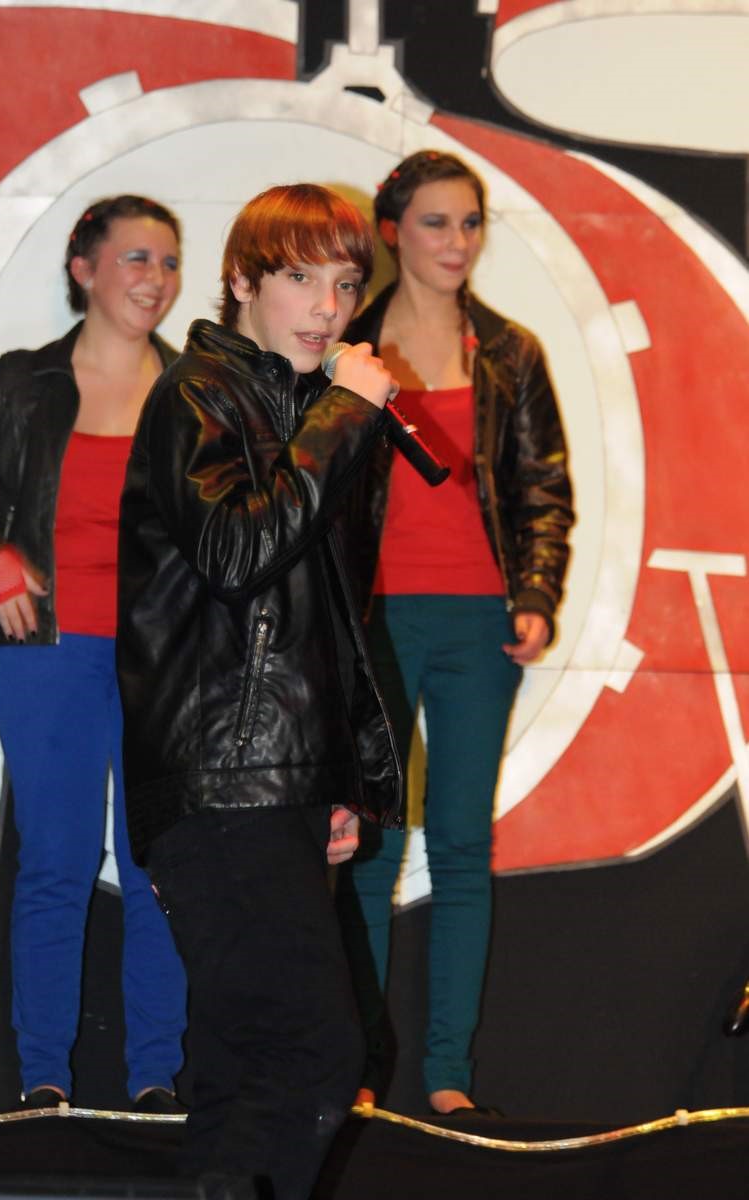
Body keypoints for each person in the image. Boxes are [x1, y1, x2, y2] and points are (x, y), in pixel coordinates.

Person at [116, 183, 402, 1199]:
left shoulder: (303, 411)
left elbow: (323, 616)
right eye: (299, 278)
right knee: (314, 1047)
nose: (327, 308)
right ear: (240, 279)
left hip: (274, 775)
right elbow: (238, 554)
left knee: (243, 1065)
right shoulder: (198, 395)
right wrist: (345, 416)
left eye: (345, 285)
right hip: (219, 777)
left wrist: (332, 773)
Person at [335, 149, 575, 1116]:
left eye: (470, 222)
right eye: (436, 222)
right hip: (377, 621)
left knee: (463, 847)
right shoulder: (346, 347)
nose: (457, 241)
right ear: (392, 231)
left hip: (481, 626)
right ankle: (360, 1069)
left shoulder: (510, 350)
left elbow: (543, 489)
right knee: (373, 848)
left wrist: (537, 594)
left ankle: (447, 1078)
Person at [0, 195, 188, 1112]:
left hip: (165, 661)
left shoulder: (196, 392)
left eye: (168, 261)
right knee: (55, 863)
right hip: (47, 653)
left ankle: (155, 1080)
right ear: (83, 269)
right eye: (136, 258)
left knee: (156, 868)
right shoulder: (27, 383)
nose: (156, 278)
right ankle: (42, 1081)